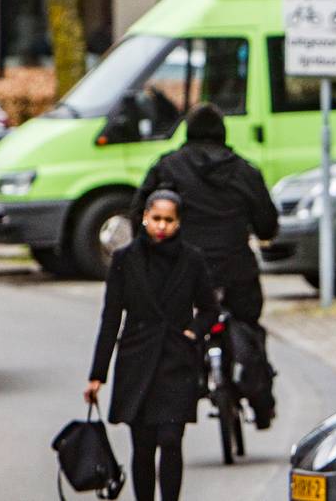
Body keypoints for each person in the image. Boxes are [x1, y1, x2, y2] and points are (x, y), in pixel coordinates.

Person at [130, 103, 280, 428]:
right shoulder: (245, 171)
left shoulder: (167, 168)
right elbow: (267, 224)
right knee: (248, 325)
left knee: (177, 332)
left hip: (183, 273)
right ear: (223, 133)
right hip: (236, 269)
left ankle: (179, 397)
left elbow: (140, 215)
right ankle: (261, 400)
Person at [85, 190, 218, 501]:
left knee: (171, 440)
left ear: (178, 222)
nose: (161, 226)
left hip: (176, 361)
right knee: (143, 445)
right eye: (156, 218)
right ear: (144, 217)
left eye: (168, 220)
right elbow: (110, 318)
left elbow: (209, 308)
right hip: (137, 361)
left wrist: (193, 332)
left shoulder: (192, 259)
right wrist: (97, 375)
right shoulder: (124, 259)